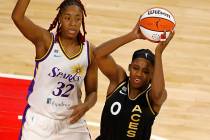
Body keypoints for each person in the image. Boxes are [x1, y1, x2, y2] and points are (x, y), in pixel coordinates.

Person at [12, 0, 98, 140]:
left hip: (71, 123)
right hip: (39, 122)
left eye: (78, 18)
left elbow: (93, 92)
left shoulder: (90, 52)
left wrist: (86, 106)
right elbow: (17, 17)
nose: (73, 23)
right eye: (67, 18)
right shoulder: (45, 41)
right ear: (59, 18)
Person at [94, 20, 175, 140]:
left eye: (146, 71)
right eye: (135, 68)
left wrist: (158, 53)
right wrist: (131, 35)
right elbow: (98, 54)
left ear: (152, 76)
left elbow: (158, 95)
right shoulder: (118, 81)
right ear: (129, 68)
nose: (139, 74)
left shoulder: (153, 97)